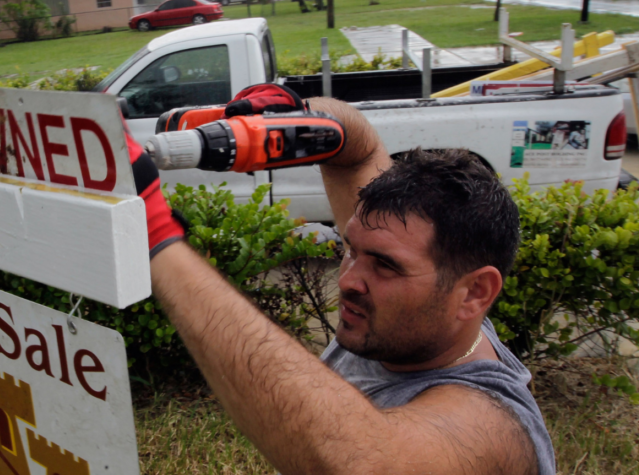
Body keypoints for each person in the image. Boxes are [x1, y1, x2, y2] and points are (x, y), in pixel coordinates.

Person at [132, 94, 554, 475]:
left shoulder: (495, 421)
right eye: (351, 249)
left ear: (475, 292)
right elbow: (358, 148)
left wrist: (159, 238)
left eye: (385, 267)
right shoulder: (418, 312)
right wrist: (292, 116)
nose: (349, 280)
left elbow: (365, 464)